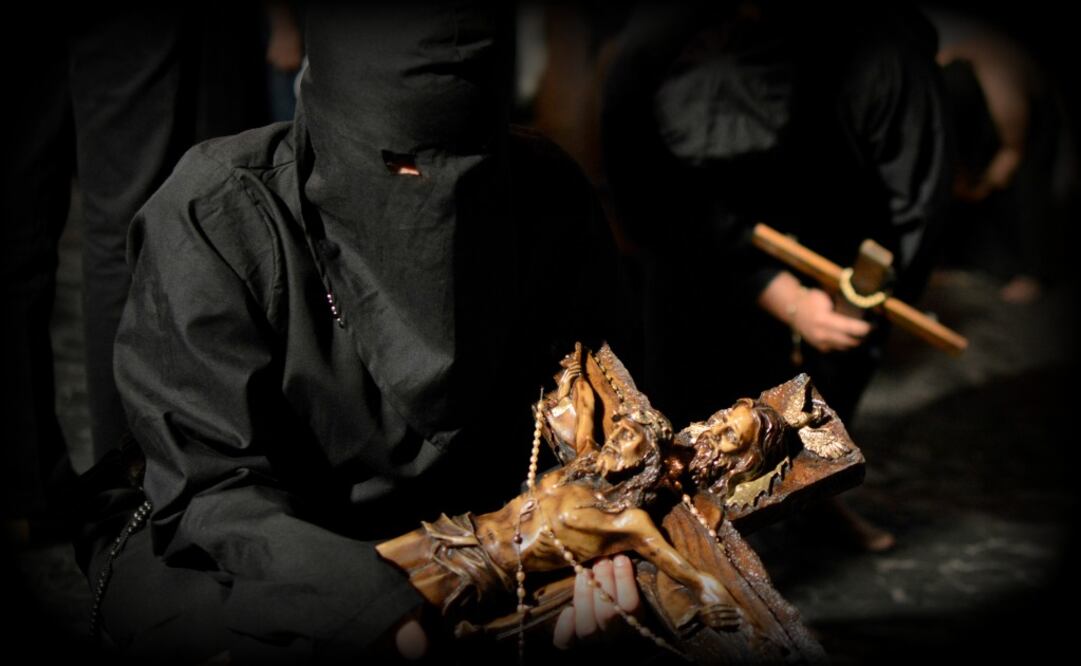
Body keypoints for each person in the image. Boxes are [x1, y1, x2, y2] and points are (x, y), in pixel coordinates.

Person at [76, 2, 634, 662]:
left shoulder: (545, 195)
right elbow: (210, 488)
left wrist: (590, 535)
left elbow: (596, 414)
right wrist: (364, 603)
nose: (434, 193)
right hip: (259, 542)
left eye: (466, 163)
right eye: (399, 161)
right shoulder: (217, 217)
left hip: (479, 532)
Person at [600, 1, 953, 551]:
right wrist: (772, 290)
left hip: (843, 215)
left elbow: (914, 213)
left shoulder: (887, 67)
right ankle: (679, 525)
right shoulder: (648, 52)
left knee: (825, 388)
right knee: (675, 381)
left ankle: (811, 497)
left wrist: (855, 307)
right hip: (686, 224)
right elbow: (646, 201)